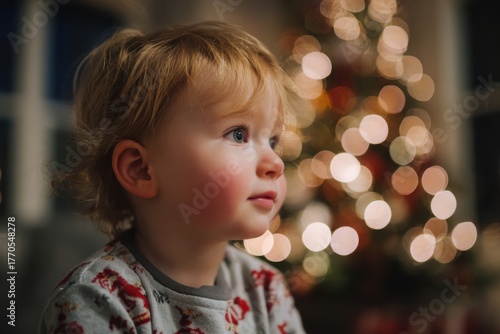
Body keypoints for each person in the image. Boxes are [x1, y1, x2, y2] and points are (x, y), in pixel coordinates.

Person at [39, 21, 306, 333]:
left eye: (273, 141)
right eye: (237, 134)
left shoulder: (266, 289)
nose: (274, 162)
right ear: (140, 169)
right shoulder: (97, 299)